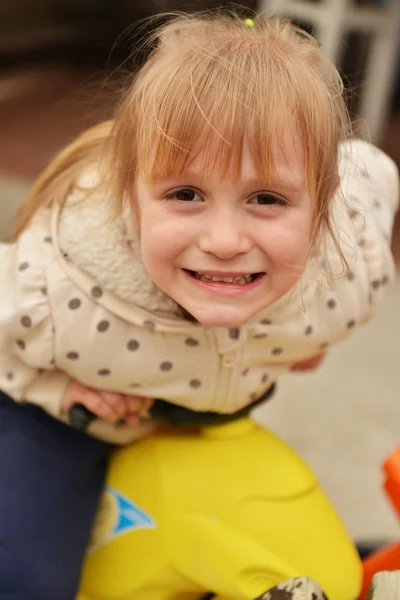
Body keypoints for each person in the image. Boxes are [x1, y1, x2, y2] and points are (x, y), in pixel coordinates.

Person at [0, 11, 398, 600]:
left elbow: (375, 172)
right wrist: (54, 390)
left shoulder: (348, 270)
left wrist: (312, 340)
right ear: (128, 193)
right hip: (53, 417)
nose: (225, 241)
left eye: (266, 198)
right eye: (185, 194)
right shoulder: (61, 293)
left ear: (323, 204)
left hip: (195, 412)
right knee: (29, 580)